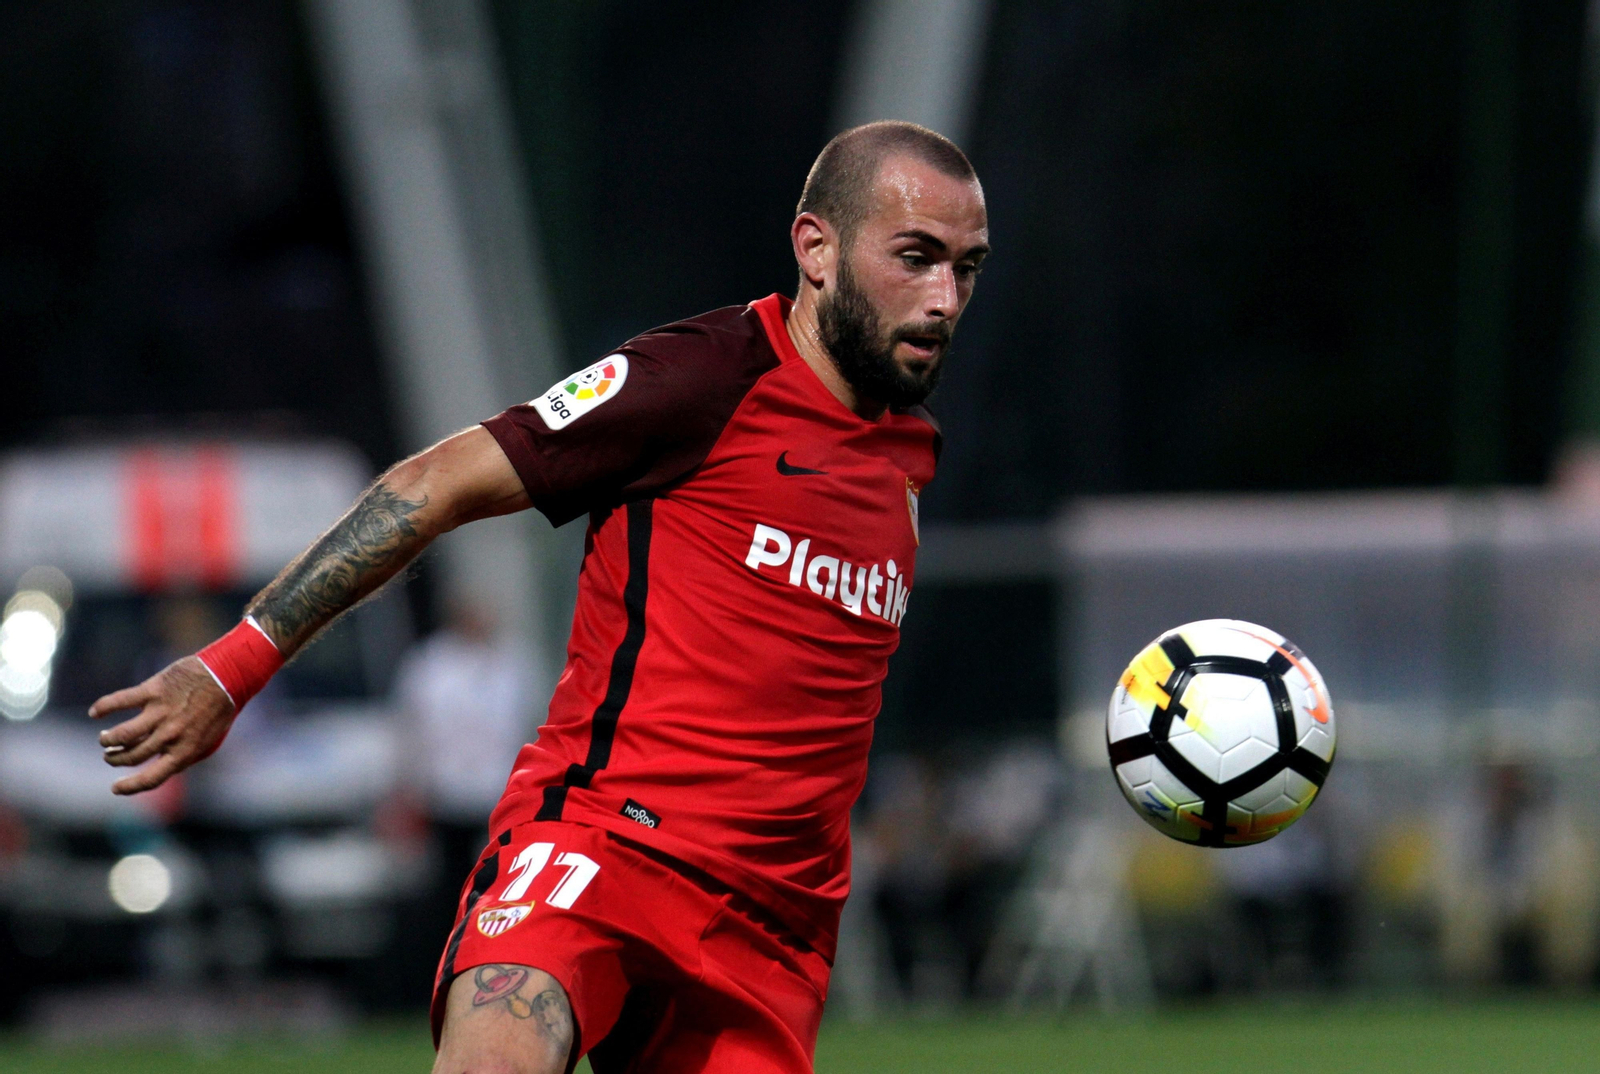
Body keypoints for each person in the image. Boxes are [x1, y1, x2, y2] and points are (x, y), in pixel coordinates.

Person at [89, 120, 990, 1074]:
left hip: (769, 934)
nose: (944, 299)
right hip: (605, 849)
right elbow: (433, 484)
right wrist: (230, 670)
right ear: (816, 248)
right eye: (915, 258)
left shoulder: (910, 457)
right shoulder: (700, 377)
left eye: (967, 268)